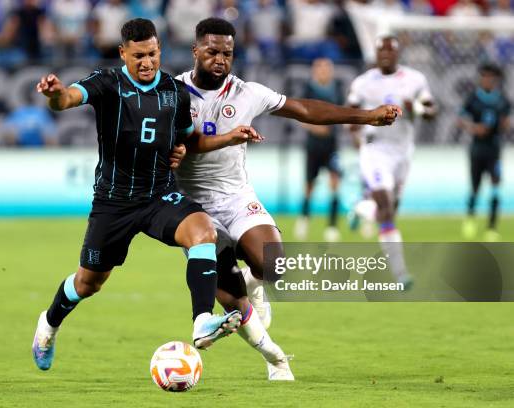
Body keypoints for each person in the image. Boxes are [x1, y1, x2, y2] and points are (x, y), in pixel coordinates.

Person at [175, 18, 401, 380]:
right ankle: (276, 360)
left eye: (227, 53)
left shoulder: (246, 92)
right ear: (196, 50)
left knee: (275, 266)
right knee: (232, 301)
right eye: (213, 51)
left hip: (235, 196)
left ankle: (253, 282)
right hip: (192, 210)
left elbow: (303, 109)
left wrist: (365, 117)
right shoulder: (173, 93)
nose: (220, 59)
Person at [31, 18, 256, 371]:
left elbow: (189, 139)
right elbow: (68, 99)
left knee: (203, 232)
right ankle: (49, 323)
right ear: (123, 53)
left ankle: (201, 323)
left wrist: (214, 141)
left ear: (160, 51)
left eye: (152, 54)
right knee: (88, 283)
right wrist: (55, 94)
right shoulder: (107, 83)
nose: (147, 62)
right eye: (138, 56)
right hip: (114, 202)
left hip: (158, 195)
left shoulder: (175, 93)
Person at [347, 35, 436, 287]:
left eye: (390, 50)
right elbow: (351, 114)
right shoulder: (363, 83)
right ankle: (400, 273)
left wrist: (417, 108)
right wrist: (356, 138)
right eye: (381, 51)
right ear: (375, 54)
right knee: (386, 206)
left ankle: (363, 208)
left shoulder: (415, 79)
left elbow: (432, 112)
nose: (385, 55)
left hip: (402, 152)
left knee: (390, 209)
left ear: (397, 54)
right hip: (375, 150)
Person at [293, 58, 345, 242]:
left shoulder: (337, 89)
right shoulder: (309, 90)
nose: (324, 72)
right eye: (320, 68)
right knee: (309, 186)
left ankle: (332, 226)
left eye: (327, 68)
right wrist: (317, 128)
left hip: (332, 146)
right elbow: (300, 117)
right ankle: (304, 220)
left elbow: (342, 112)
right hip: (313, 145)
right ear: (315, 71)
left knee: (335, 184)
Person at [459, 63, 510, 241]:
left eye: (491, 77)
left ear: (495, 79)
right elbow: (460, 119)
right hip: (477, 149)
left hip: (494, 149)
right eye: (485, 76)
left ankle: (492, 227)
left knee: (496, 185)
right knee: (475, 187)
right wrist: (474, 128)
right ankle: (471, 217)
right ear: (481, 78)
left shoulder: (502, 100)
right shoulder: (473, 98)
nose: (488, 80)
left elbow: (506, 121)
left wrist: (505, 125)